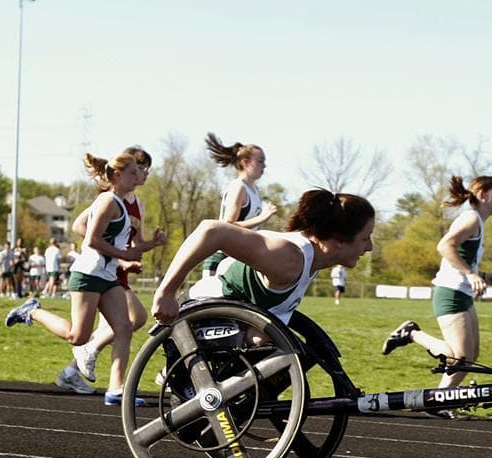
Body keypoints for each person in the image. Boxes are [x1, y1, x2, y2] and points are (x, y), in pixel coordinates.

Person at [6, 151, 143, 406]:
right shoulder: (107, 202)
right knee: (77, 337)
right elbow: (92, 240)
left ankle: (116, 389)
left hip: (108, 276)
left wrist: (136, 254)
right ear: (117, 175)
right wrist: (124, 255)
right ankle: (32, 311)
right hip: (88, 275)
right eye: (133, 172)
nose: (138, 177)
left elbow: (119, 244)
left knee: (125, 327)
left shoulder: (125, 204)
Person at [152, 189, 374, 329]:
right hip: (200, 317)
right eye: (365, 238)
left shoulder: (313, 259)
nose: (370, 247)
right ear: (339, 240)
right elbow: (211, 230)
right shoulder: (289, 259)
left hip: (231, 323)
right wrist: (166, 292)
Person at [380, 176, 492, 418]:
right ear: (482, 195)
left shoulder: (477, 221)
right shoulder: (471, 218)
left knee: (470, 355)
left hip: (462, 293)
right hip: (450, 293)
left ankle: (439, 402)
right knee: (460, 357)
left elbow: (462, 259)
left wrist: (483, 275)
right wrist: (471, 274)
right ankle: (411, 334)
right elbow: (445, 246)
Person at [54, 146, 167, 395]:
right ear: (122, 172)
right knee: (115, 325)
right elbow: (82, 228)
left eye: (145, 168)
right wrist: (118, 255)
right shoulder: (109, 199)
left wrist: (153, 244)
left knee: (125, 325)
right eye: (140, 168)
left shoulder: (136, 205)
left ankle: (109, 386)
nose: (144, 173)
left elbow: (136, 243)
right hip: (99, 269)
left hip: (113, 271)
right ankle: (85, 351)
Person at [201, 132, 277, 278]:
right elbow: (228, 224)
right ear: (245, 163)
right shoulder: (238, 187)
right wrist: (262, 218)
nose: (264, 166)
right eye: (260, 161)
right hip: (222, 258)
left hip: (240, 257)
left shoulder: (255, 190)